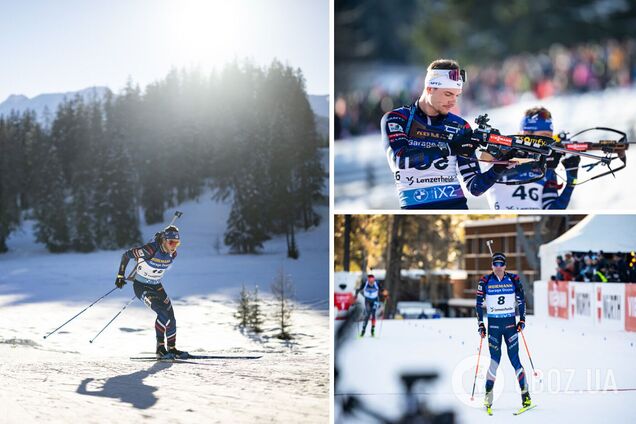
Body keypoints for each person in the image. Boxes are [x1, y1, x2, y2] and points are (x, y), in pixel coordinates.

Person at [381, 59, 512, 209]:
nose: (453, 101)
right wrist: (449, 148)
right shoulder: (398, 119)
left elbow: (474, 187)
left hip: (456, 206)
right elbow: (399, 161)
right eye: (448, 94)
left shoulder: (460, 126)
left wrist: (499, 168)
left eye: (457, 95)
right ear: (430, 88)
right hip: (415, 208)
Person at [484, 107, 580, 209]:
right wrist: (532, 162)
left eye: (550, 138)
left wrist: (571, 183)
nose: (548, 143)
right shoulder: (502, 151)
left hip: (533, 223)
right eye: (544, 136)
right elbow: (485, 158)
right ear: (527, 134)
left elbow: (551, 211)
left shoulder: (546, 166)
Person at [115, 225, 187, 359]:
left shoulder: (173, 253)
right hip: (142, 287)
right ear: (164, 240)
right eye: (171, 242)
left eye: (177, 243)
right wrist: (120, 276)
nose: (174, 246)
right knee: (162, 313)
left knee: (171, 317)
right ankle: (160, 349)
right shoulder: (149, 249)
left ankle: (172, 348)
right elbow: (126, 255)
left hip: (157, 286)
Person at [476, 253, 531, 411]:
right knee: (494, 360)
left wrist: (522, 320)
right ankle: (488, 397)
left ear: (505, 265)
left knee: (515, 360)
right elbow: (478, 304)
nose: (498, 267)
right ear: (492, 266)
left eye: (501, 264)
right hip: (493, 326)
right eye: (495, 264)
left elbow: (521, 300)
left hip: (510, 326)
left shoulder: (514, 279)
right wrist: (480, 324)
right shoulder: (485, 281)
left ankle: (526, 397)